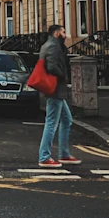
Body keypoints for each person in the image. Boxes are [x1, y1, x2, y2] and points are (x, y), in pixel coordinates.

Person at [36, 25, 81, 168]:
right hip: (55, 89)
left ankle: (64, 154)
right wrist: (63, 76)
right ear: (56, 33)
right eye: (63, 32)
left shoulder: (50, 45)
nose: (66, 34)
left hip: (57, 90)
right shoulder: (53, 47)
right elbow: (52, 67)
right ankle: (44, 156)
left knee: (67, 120)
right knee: (51, 123)